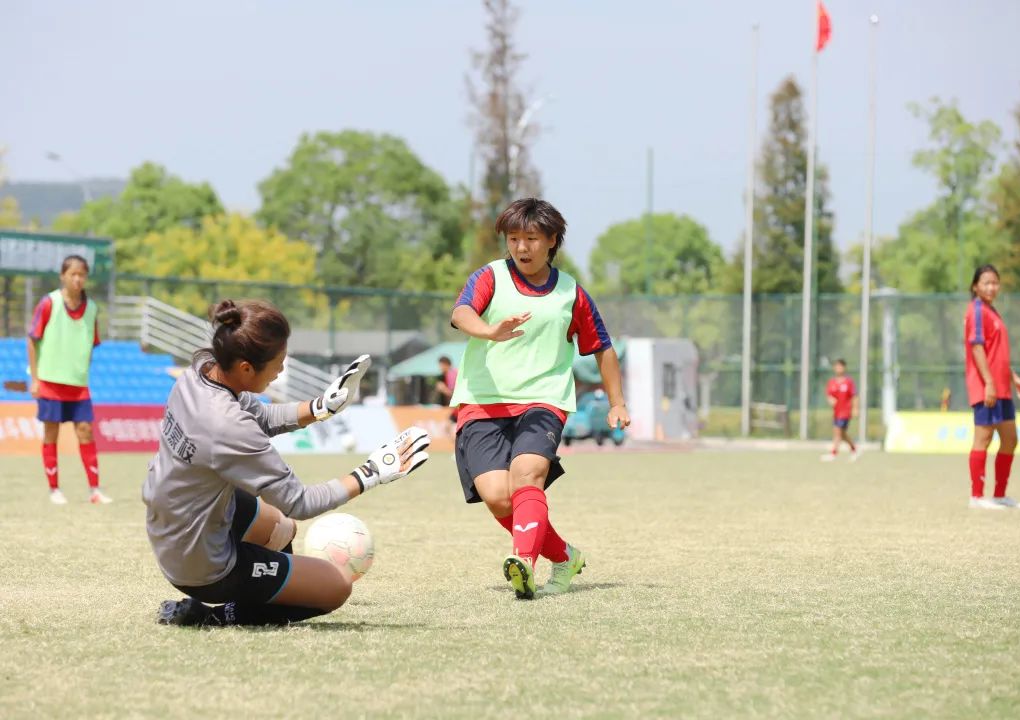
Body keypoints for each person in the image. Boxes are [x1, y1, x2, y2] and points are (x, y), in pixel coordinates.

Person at [147, 299, 431, 627]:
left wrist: (320, 407)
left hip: (173, 522)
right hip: (197, 564)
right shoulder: (226, 426)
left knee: (282, 529)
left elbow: (260, 415)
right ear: (245, 369)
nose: (281, 370)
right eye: (277, 363)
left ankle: (274, 588)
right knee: (335, 586)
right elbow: (300, 501)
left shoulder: (202, 369)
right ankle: (213, 614)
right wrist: (371, 472)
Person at [449, 198, 630, 599]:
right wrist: (488, 330)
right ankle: (564, 556)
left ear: (551, 241)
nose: (521, 247)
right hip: (482, 400)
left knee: (527, 475)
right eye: (513, 238)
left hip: (543, 399)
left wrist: (617, 401)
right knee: (498, 498)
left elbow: (602, 346)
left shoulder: (571, 293)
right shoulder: (490, 277)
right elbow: (461, 313)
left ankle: (524, 563)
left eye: (531, 238)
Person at [27, 255, 111, 505]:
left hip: (79, 384)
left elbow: (92, 343)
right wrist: (35, 377)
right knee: (51, 434)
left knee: (86, 432)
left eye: (82, 274)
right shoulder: (48, 303)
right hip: (50, 381)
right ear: (63, 275)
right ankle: (54, 490)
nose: (77, 279)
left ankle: (94, 490)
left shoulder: (93, 308)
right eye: (72, 274)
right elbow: (32, 339)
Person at [965, 264, 1020, 510]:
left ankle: (1000, 494)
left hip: (1002, 386)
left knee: (1010, 439)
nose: (991, 287)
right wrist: (989, 383)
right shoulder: (977, 311)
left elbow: (996, 353)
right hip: (986, 387)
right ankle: (977, 497)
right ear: (975, 286)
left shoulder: (992, 311)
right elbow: (977, 347)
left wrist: (1014, 378)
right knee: (983, 438)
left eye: (995, 282)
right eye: (986, 283)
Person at [821, 358, 857, 462]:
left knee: (837, 432)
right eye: (836, 366)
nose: (838, 368)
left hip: (845, 412)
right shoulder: (832, 382)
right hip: (836, 412)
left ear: (844, 368)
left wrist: (855, 408)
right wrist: (830, 399)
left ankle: (833, 453)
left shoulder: (848, 382)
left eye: (840, 366)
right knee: (843, 434)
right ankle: (854, 450)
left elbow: (854, 396)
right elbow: (829, 395)